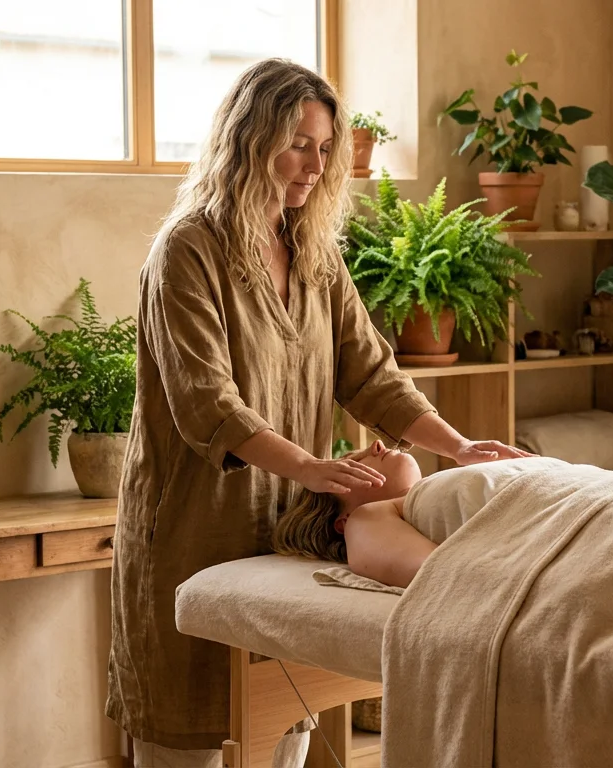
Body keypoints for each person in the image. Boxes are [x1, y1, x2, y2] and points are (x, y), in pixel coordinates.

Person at [105, 58, 529, 768]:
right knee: (188, 736)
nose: (314, 163)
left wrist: (456, 446)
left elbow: (372, 375)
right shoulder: (186, 252)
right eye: (299, 142)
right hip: (193, 528)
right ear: (248, 139)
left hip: (289, 535)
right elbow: (208, 403)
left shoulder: (313, 253)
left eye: (325, 146)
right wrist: (315, 467)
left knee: (284, 725)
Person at [274, 440, 566, 588]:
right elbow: (448, 575)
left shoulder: (433, 498)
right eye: (352, 463)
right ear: (343, 521)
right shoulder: (363, 521)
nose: (376, 445)